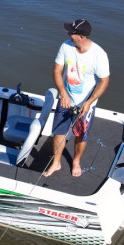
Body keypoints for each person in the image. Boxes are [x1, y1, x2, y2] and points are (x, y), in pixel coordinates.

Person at [42, 19, 110, 178]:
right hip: (66, 99)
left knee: (80, 135)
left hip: (85, 105)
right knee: (59, 132)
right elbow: (57, 70)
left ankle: (76, 161)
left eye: (71, 32)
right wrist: (63, 93)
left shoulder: (99, 55)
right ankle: (56, 163)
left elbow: (104, 81)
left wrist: (89, 102)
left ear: (81, 36)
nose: (68, 34)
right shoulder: (66, 46)